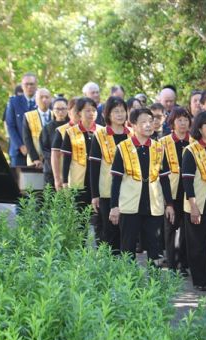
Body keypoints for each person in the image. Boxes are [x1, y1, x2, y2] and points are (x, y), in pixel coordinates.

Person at [109, 108, 175, 261]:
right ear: (133, 125)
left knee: (155, 248)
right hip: (129, 205)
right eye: (143, 122)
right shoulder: (123, 147)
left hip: (154, 205)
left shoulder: (159, 148)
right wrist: (114, 206)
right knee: (127, 248)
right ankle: (127, 276)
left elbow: (164, 179)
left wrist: (169, 204)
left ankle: (155, 275)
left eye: (151, 121)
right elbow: (116, 180)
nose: (148, 125)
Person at [182, 111, 206, 290]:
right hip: (198, 204)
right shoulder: (191, 151)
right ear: (199, 128)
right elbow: (187, 181)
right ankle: (201, 280)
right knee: (198, 244)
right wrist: (193, 206)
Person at [89, 96, 130, 253]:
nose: (120, 115)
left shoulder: (132, 134)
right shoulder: (100, 135)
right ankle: (108, 263)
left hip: (130, 191)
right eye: (116, 111)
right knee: (109, 231)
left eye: (122, 111)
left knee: (126, 232)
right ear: (108, 114)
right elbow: (94, 167)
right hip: (107, 191)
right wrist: (95, 195)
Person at [161, 107, 192, 275]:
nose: (183, 123)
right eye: (179, 120)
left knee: (187, 231)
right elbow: (161, 174)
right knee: (170, 230)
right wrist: (168, 202)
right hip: (171, 193)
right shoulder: (163, 143)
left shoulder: (194, 142)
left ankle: (184, 264)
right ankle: (172, 265)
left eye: (186, 120)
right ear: (172, 123)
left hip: (190, 195)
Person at [61, 97, 102, 207]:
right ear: (79, 113)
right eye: (87, 110)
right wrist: (64, 182)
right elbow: (66, 159)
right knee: (79, 211)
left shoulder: (102, 131)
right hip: (78, 181)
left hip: (99, 181)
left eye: (94, 110)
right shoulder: (71, 132)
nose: (91, 113)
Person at [5, 73, 38, 166]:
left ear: (36, 85)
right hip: (18, 152)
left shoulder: (42, 102)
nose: (29, 87)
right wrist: (20, 146)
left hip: (37, 152)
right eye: (26, 84)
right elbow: (10, 126)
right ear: (22, 86)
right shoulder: (13, 102)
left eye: (31, 84)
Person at [40, 96, 69, 187]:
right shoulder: (47, 128)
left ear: (68, 110)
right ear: (52, 110)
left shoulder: (71, 127)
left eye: (63, 109)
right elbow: (44, 148)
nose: (60, 112)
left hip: (68, 167)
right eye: (57, 109)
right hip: (50, 168)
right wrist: (55, 158)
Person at [51, 97, 79, 191]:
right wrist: (57, 179)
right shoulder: (62, 130)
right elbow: (55, 156)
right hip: (67, 177)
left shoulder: (93, 130)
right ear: (69, 112)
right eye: (76, 111)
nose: (79, 114)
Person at [22, 88, 52, 168]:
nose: (44, 100)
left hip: (53, 160)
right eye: (41, 97)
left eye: (46, 97)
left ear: (50, 99)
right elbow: (27, 139)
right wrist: (35, 158)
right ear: (36, 100)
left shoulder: (55, 116)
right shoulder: (28, 116)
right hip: (36, 160)